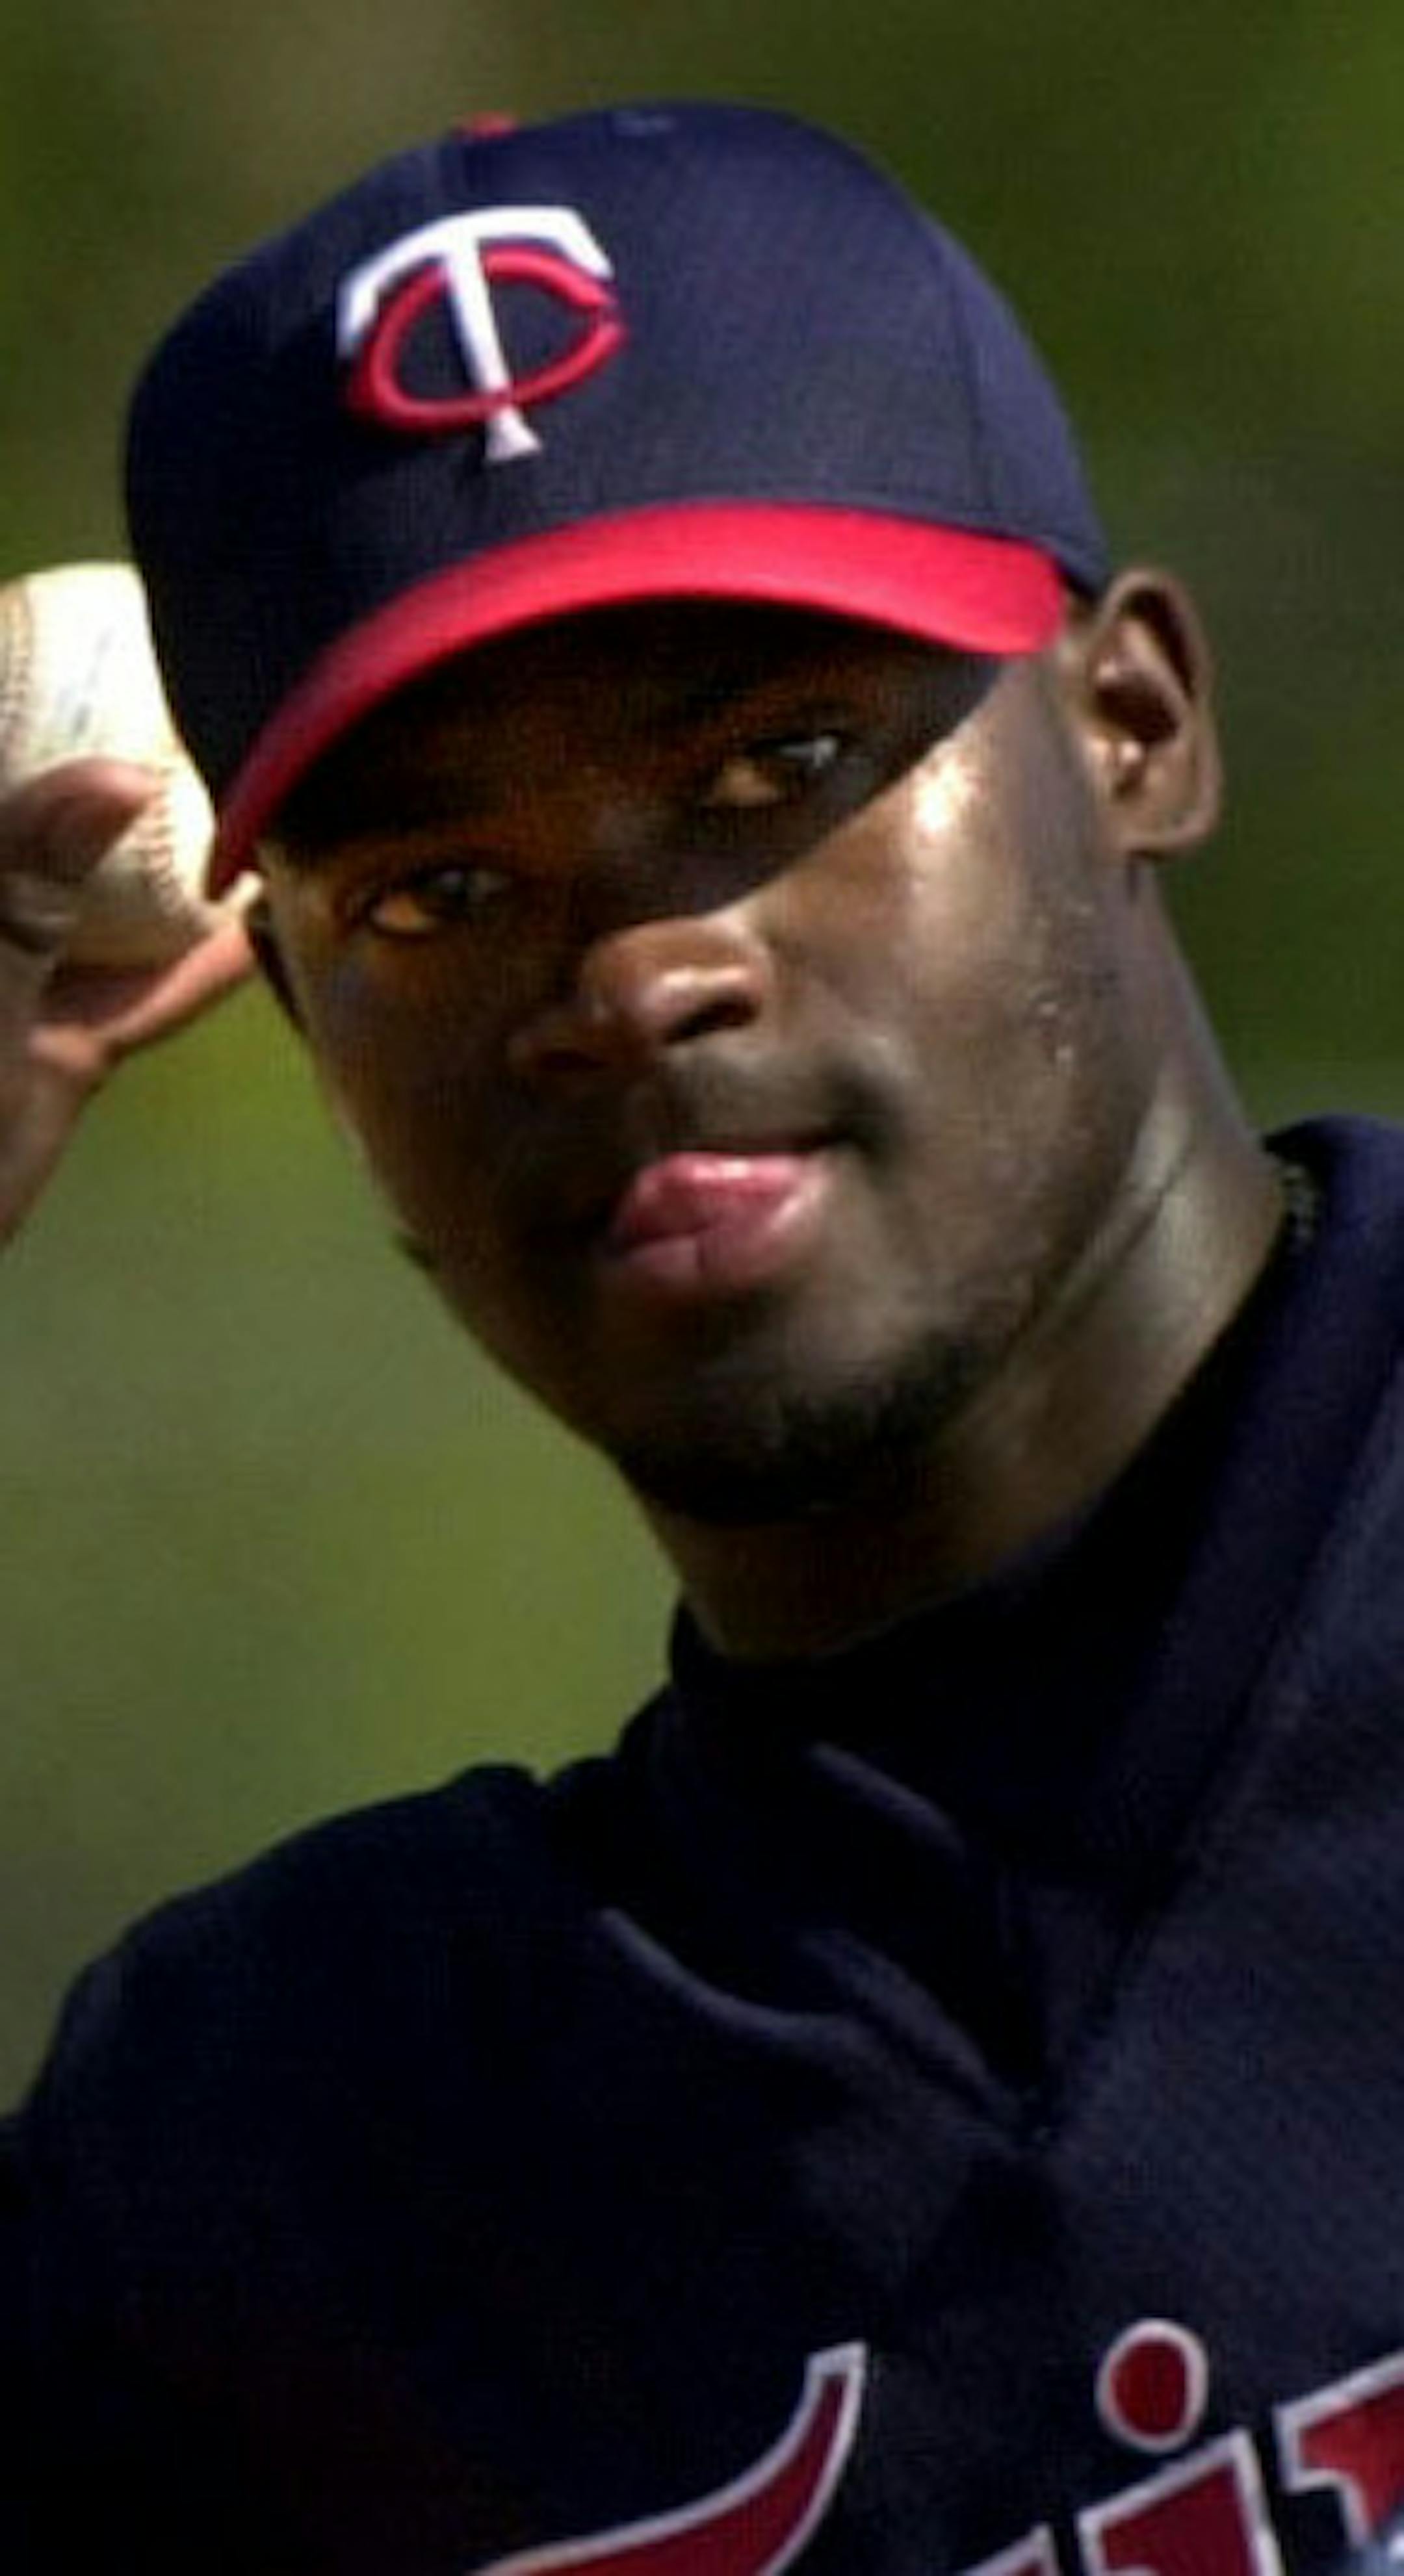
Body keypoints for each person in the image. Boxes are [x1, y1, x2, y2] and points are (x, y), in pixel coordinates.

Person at [3, 96, 1404, 2576]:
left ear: (1134, 727)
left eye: (779, 759)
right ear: (319, 1043)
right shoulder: (282, 2181)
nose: (636, 968)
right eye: (439, 886)